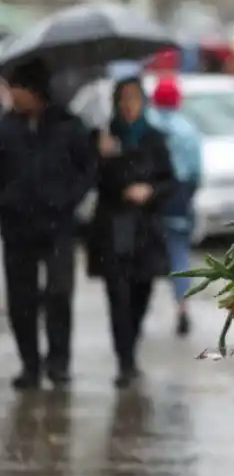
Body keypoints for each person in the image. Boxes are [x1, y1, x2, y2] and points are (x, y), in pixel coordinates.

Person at [0, 59, 95, 389]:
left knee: (58, 294)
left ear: (35, 90)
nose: (12, 94)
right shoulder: (6, 127)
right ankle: (30, 365)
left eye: (17, 88)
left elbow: (87, 167)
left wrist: (69, 198)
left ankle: (59, 363)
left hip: (58, 227)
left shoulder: (68, 125)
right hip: (16, 228)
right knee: (21, 300)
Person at [86, 74, 175, 388]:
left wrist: (150, 190)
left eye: (134, 98)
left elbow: (170, 181)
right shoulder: (103, 137)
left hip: (146, 231)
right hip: (113, 230)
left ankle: (131, 346)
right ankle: (125, 361)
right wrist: (102, 156)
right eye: (123, 99)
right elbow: (91, 180)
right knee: (118, 297)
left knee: (141, 293)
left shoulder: (154, 138)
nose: (128, 105)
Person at [149, 76, 203, 337]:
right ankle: (182, 308)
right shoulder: (187, 129)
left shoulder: (148, 125)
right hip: (179, 197)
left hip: (150, 197)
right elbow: (195, 172)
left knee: (144, 255)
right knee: (179, 255)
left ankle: (140, 310)